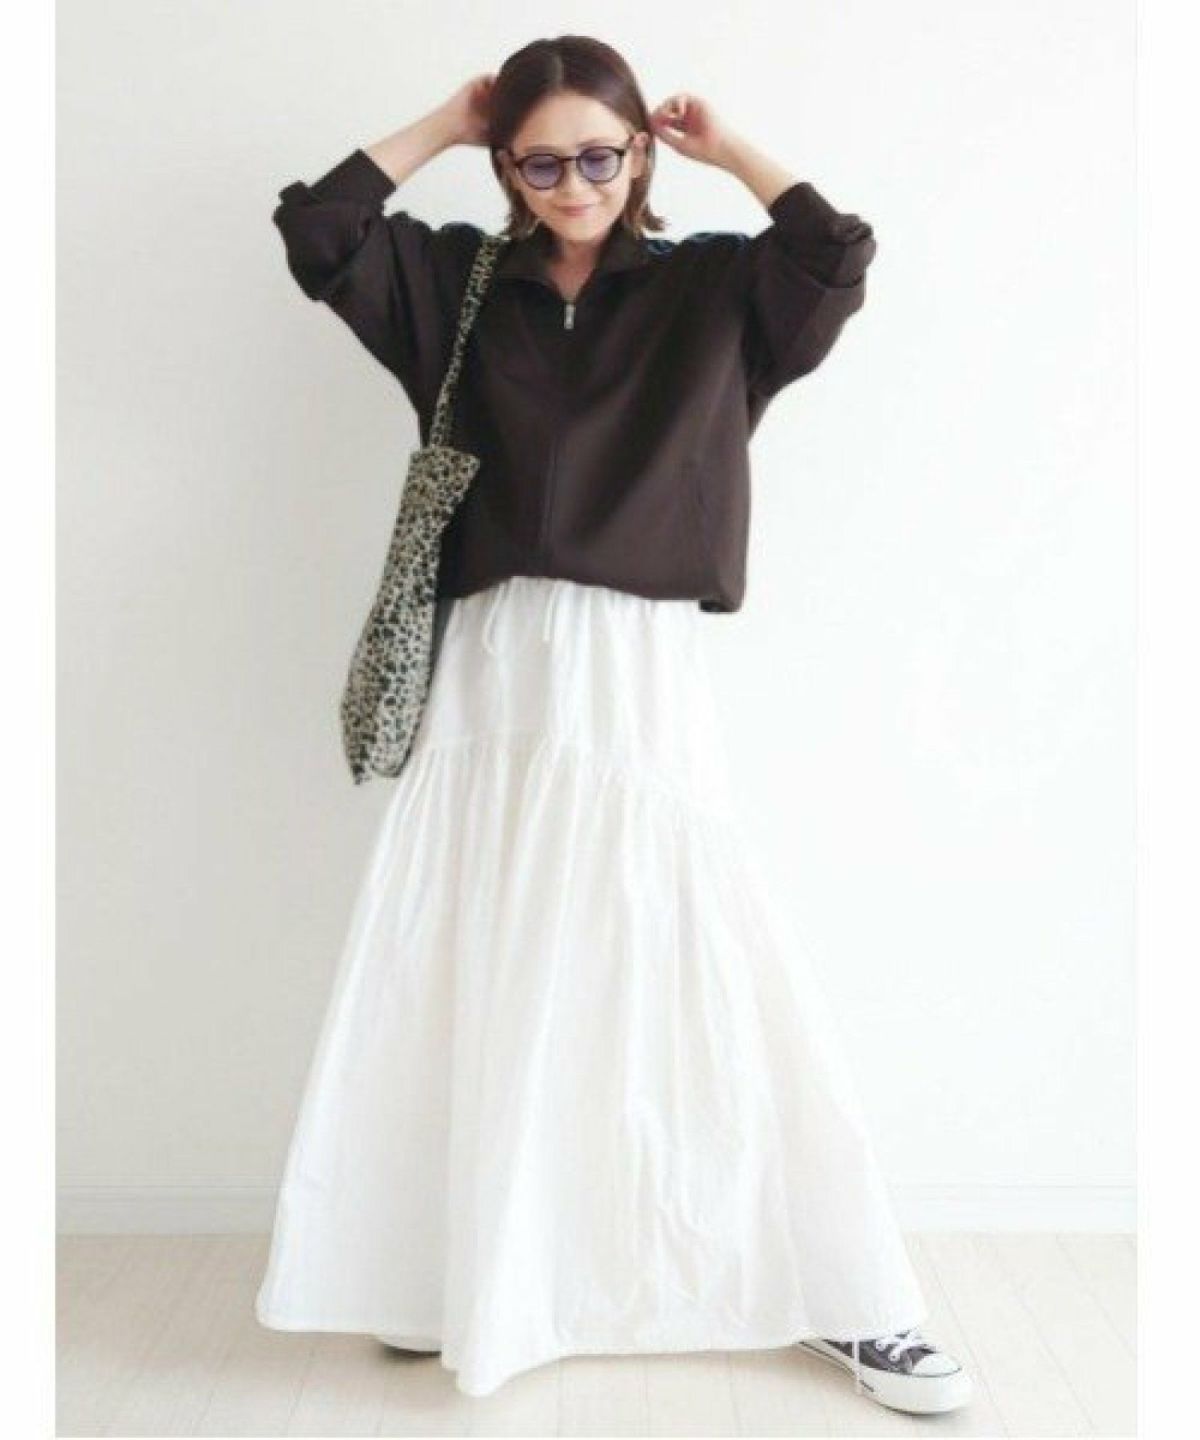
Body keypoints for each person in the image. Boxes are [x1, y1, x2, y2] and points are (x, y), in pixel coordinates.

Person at [254, 34, 973, 1416]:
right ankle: (454, 1269)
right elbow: (321, 230)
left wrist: (730, 149)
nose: (575, 183)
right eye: (541, 162)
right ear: (507, 167)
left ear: (640, 152)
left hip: (634, 662)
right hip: (495, 657)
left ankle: (849, 1291)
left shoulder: (714, 287)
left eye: (600, 154)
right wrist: (447, 121)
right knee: (486, 945)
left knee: (694, 941)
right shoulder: (458, 284)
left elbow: (835, 256)